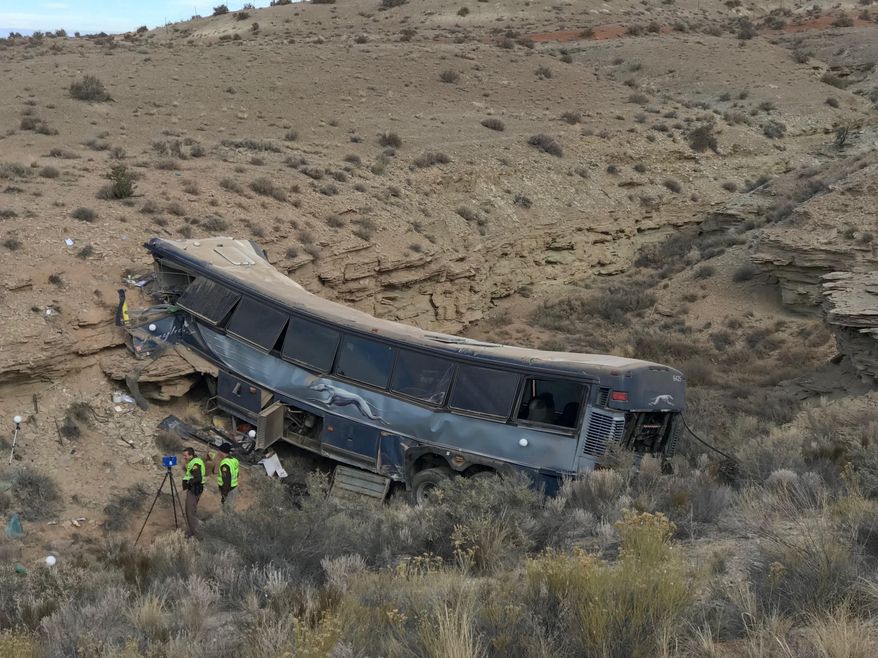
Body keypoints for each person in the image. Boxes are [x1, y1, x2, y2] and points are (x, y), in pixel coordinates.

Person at [181, 447, 205, 538]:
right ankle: (193, 529)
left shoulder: (195, 463)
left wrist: (188, 482)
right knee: (192, 511)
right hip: (195, 489)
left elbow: (198, 478)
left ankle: (196, 534)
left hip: (194, 489)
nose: (184, 457)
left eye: (185, 455)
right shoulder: (195, 461)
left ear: (191, 455)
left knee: (190, 512)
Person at [213, 443, 240, 511]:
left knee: (226, 510)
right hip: (234, 488)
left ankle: (227, 521)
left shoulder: (225, 464)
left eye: (219, 451)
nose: (218, 452)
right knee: (229, 508)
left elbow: (226, 480)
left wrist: (224, 494)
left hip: (228, 490)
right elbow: (237, 474)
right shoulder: (234, 460)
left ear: (222, 451)